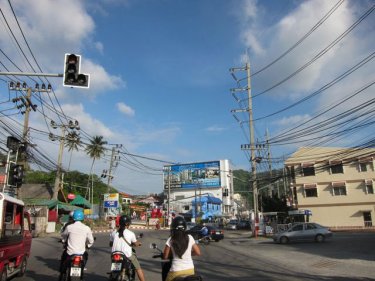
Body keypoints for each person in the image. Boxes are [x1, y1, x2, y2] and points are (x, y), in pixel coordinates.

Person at [59, 209, 94, 280]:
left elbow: (63, 236)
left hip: (70, 253)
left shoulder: (69, 227)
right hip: (81, 253)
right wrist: (88, 245)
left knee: (63, 261)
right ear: (82, 218)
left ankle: (62, 273)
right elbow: (91, 240)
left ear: (73, 218)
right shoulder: (86, 228)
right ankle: (82, 269)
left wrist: (63, 240)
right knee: (86, 256)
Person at [163, 216, 201, 281]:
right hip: (190, 271)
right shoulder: (190, 237)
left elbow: (165, 256)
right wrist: (189, 254)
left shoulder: (171, 239)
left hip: (176, 271)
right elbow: (198, 252)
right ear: (185, 227)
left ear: (173, 227)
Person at [109, 215, 146, 281]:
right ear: (127, 224)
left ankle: (113, 273)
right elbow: (135, 243)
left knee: (113, 268)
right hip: (126, 255)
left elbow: (110, 244)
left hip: (114, 255)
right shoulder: (130, 233)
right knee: (138, 268)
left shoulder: (113, 233)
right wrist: (139, 243)